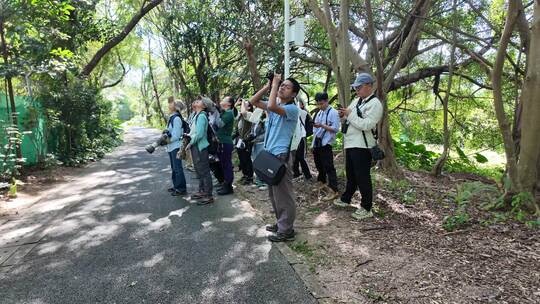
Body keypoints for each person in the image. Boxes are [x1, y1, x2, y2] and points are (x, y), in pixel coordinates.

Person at [250, 73, 300, 242]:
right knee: (274, 194)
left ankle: (287, 230)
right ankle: (281, 224)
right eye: (281, 85)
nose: (281, 88)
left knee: (284, 195)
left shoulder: (292, 109)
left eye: (286, 86)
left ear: (293, 94)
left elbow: (270, 106)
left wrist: (275, 85)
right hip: (270, 154)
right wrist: (268, 84)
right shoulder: (277, 105)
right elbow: (253, 102)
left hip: (281, 156)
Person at [333, 73, 383, 220]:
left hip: (363, 145)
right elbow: (349, 117)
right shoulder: (356, 101)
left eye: (359, 87)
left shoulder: (375, 104)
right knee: (351, 174)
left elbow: (367, 125)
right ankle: (346, 198)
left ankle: (367, 207)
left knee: (363, 177)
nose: (357, 90)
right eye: (355, 87)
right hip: (351, 143)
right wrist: (343, 114)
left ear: (369, 85)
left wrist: (349, 115)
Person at [186, 96, 215, 205]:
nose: (196, 101)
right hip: (196, 146)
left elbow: (199, 134)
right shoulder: (197, 115)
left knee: (204, 171)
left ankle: (208, 195)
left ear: (203, 106)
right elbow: (194, 132)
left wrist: (190, 143)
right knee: (199, 170)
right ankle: (202, 191)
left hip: (200, 147)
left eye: (199, 101)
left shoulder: (202, 116)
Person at [312, 92, 341, 201]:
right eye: (318, 104)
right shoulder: (320, 112)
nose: (320, 106)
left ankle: (334, 189)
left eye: (322, 103)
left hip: (326, 143)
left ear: (327, 101)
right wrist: (313, 144)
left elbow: (335, 128)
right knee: (319, 165)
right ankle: (322, 182)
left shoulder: (333, 112)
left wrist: (322, 125)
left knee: (329, 166)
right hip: (318, 142)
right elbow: (316, 130)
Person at [166, 97, 187, 196]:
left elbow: (177, 135)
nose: (169, 105)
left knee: (178, 168)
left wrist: (167, 140)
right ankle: (176, 186)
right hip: (171, 146)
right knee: (174, 168)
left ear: (175, 107)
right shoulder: (172, 117)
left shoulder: (177, 118)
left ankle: (181, 188)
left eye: (171, 104)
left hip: (176, 146)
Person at [215, 96, 235, 195]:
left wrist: (215, 112)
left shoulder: (229, 113)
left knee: (226, 164)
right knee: (223, 164)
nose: (221, 101)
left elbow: (219, 124)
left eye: (224, 100)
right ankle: (225, 183)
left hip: (225, 142)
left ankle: (228, 186)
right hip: (222, 142)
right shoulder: (225, 113)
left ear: (229, 104)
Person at [292, 98, 313, 180]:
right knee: (295, 156)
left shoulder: (303, 113)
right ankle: (296, 173)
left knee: (301, 157)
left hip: (302, 136)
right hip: (295, 137)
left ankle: (308, 175)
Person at [236, 98, 254, 185]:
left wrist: (243, 101)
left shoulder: (249, 114)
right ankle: (245, 175)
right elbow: (233, 112)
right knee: (242, 159)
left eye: (245, 104)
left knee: (247, 159)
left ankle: (250, 177)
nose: (242, 105)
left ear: (249, 107)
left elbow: (243, 112)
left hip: (247, 141)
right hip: (240, 140)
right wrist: (236, 104)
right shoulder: (240, 116)